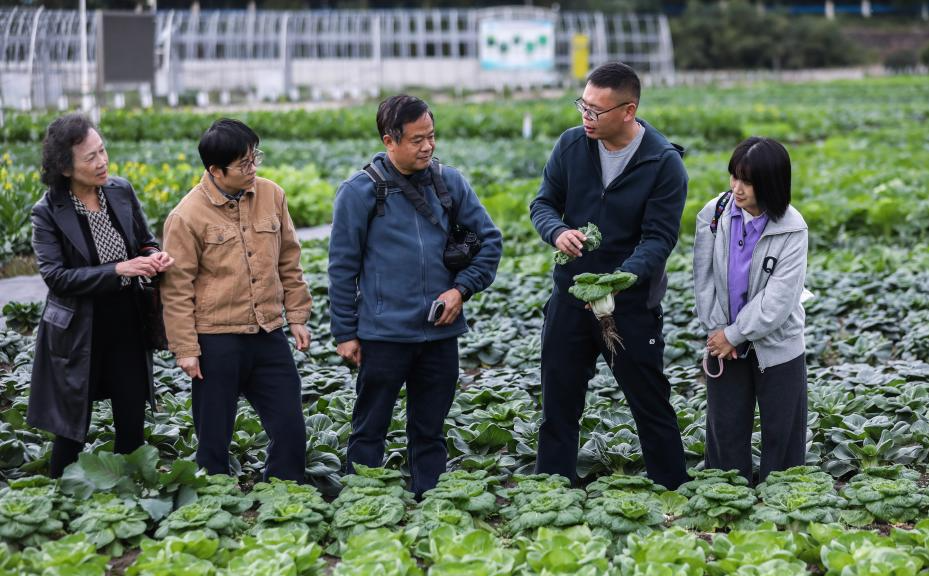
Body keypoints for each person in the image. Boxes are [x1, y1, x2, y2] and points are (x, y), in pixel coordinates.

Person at [328, 94, 502, 497]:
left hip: (440, 334)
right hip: (384, 334)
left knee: (430, 431)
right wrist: (345, 333)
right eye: (417, 139)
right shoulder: (360, 191)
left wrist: (461, 289)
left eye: (432, 136)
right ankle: (362, 502)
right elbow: (341, 268)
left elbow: (490, 241)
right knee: (369, 429)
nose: (427, 146)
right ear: (389, 141)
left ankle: (432, 506)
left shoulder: (449, 181)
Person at [531, 62, 689, 490]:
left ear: (628, 110)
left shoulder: (662, 163)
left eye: (595, 110)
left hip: (630, 306)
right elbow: (542, 204)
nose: (586, 117)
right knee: (558, 404)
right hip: (569, 300)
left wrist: (619, 281)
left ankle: (673, 492)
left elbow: (659, 239)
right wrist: (557, 231)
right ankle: (552, 493)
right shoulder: (570, 146)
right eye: (582, 105)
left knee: (650, 404)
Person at [160, 119, 312, 482]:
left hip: (267, 332)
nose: (254, 168)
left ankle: (285, 490)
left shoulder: (272, 195)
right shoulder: (186, 216)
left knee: (290, 424)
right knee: (214, 435)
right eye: (244, 164)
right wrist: (185, 348)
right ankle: (215, 501)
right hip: (216, 338)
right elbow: (176, 287)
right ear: (215, 170)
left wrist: (298, 316)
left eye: (254, 157)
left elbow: (289, 259)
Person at [27, 113, 175, 477]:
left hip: (126, 321)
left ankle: (127, 498)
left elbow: (144, 241)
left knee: (131, 419)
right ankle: (62, 498)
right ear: (64, 168)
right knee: (70, 431)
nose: (102, 162)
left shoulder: (119, 191)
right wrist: (117, 270)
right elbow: (56, 277)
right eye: (90, 157)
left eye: (102, 151)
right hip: (78, 330)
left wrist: (151, 258)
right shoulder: (47, 212)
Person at [693, 136, 809, 485]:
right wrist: (718, 333)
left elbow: (779, 299)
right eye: (734, 177)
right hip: (723, 341)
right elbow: (704, 278)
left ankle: (782, 508)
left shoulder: (792, 227)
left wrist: (735, 334)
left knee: (783, 437)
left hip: (778, 344)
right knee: (725, 432)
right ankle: (728, 506)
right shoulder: (715, 213)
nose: (736, 188)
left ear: (771, 184)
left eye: (747, 181)